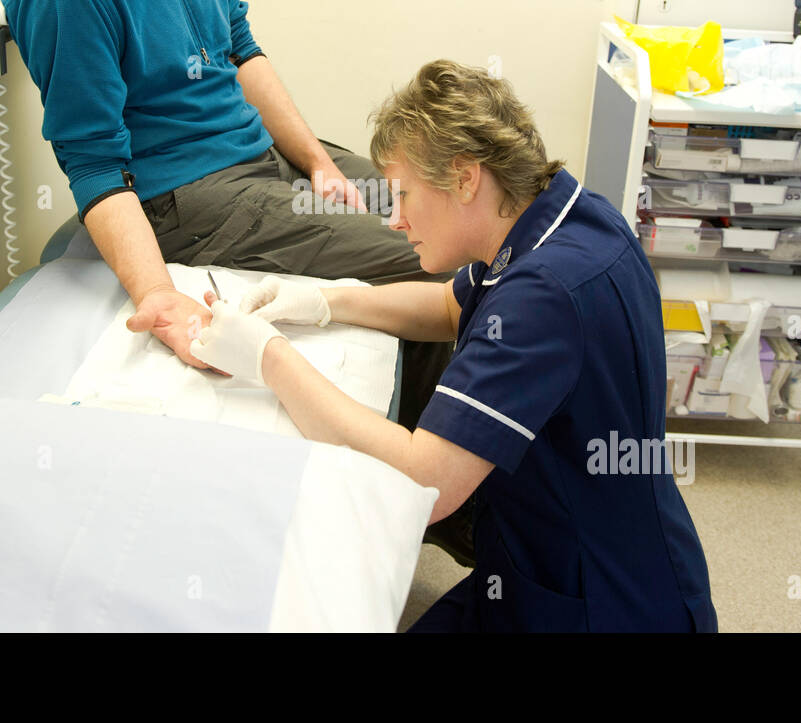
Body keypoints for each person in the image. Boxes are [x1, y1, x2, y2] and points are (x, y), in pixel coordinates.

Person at [189, 59, 719, 632]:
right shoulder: (564, 218)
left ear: (465, 178)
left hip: (599, 604)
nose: (393, 221)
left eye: (404, 197)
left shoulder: (542, 297)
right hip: (567, 559)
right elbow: (449, 306)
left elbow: (426, 481)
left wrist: (269, 358)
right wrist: (328, 300)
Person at [0, 0, 450, 428]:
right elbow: (94, 165)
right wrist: (158, 296)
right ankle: (434, 481)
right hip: (190, 195)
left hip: (264, 157)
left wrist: (317, 162)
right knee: (428, 261)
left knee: (443, 214)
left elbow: (240, 48)